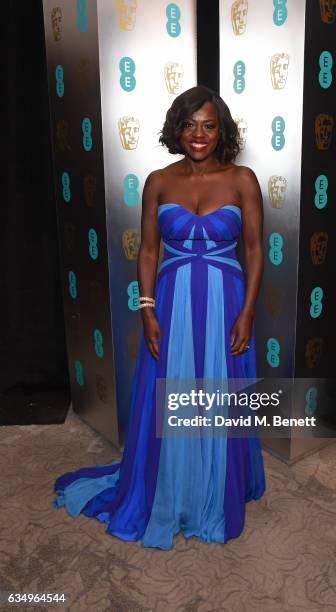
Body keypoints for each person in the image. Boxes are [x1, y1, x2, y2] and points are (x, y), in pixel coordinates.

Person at [53, 85, 266, 550]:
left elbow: (254, 249)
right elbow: (148, 251)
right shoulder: (159, 180)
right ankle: (170, 487)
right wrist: (146, 309)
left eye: (209, 125)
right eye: (190, 124)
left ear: (222, 130)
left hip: (225, 299)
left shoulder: (243, 180)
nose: (199, 134)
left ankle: (211, 489)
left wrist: (247, 313)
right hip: (170, 298)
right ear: (177, 128)